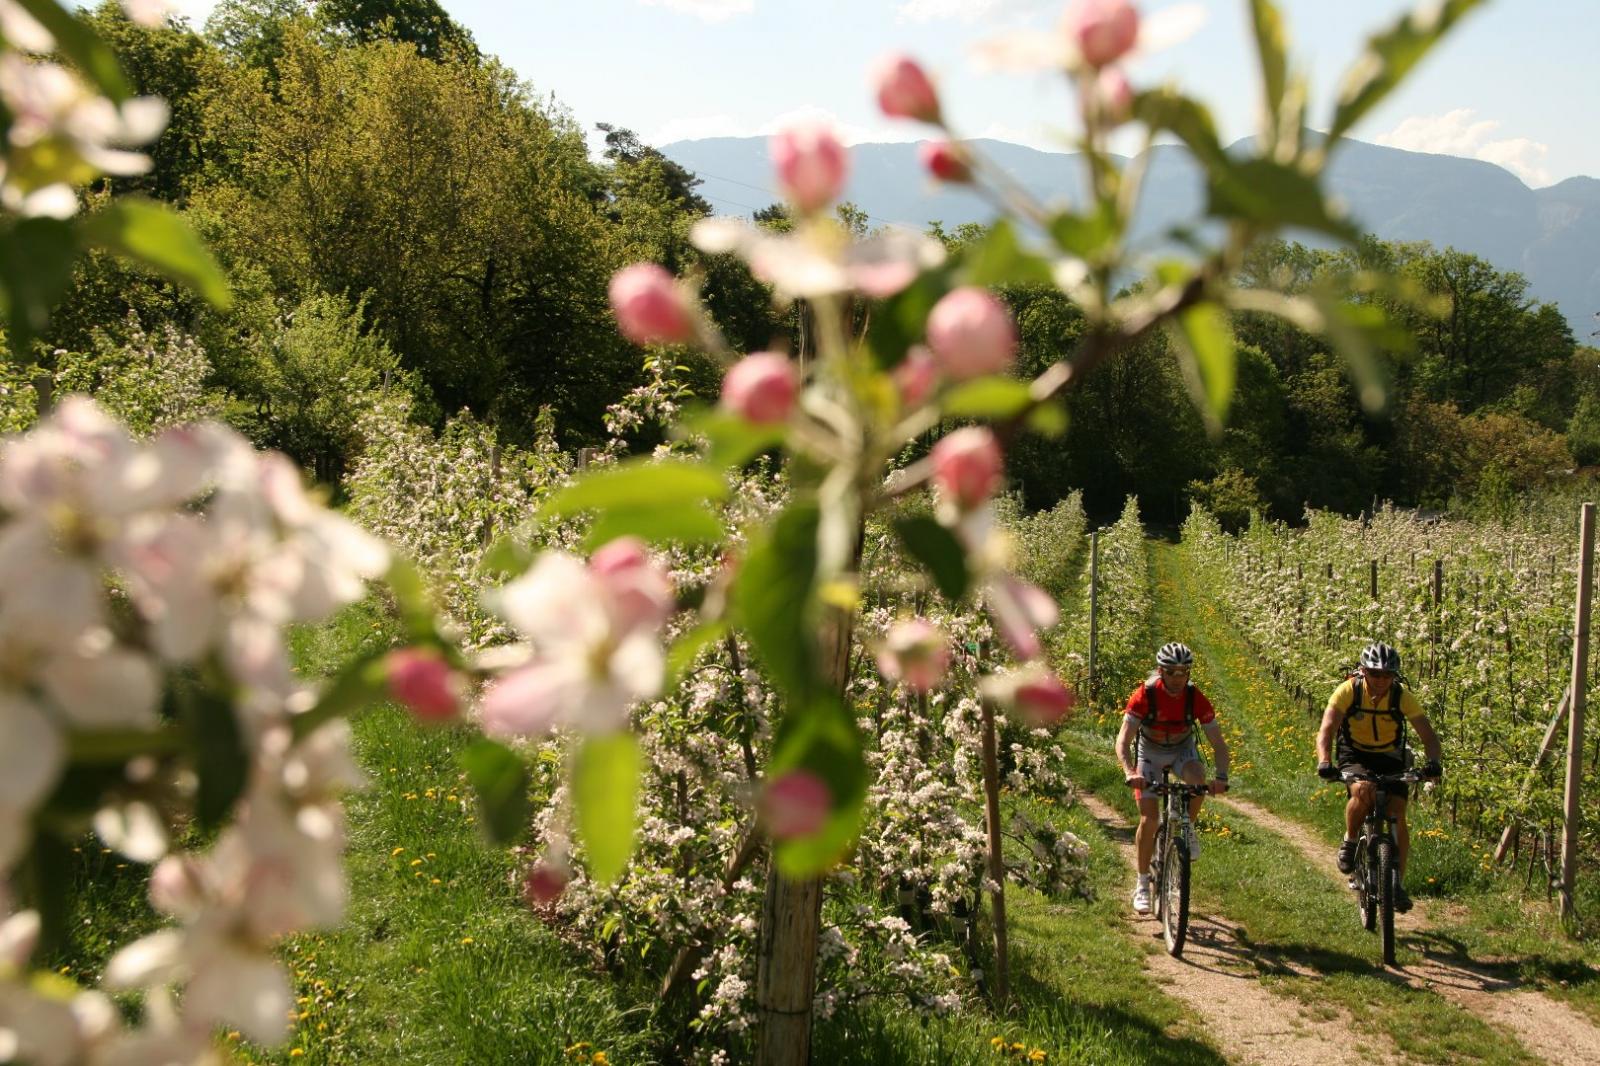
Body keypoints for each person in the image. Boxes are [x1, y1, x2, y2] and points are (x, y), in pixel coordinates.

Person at [1315, 641, 1442, 913]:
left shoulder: (1401, 696)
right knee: (1363, 790)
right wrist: (1324, 761)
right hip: (1355, 753)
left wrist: (1434, 763)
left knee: (1397, 811)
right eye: (1375, 673)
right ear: (1363, 671)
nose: (1381, 680)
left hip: (1390, 755)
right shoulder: (1348, 690)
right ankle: (1351, 840)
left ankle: (1396, 884)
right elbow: (1327, 729)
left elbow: (1429, 736)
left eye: (1387, 675)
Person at [1116, 642, 1231, 915]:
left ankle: (1188, 827)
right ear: (1160, 671)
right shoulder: (1144, 695)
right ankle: (1142, 884)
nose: (1178, 678)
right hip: (1150, 754)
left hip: (1182, 751)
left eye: (1183, 672)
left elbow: (1218, 744)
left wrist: (1221, 777)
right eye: (1171, 672)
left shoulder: (1195, 698)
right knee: (1149, 819)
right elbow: (1123, 741)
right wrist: (1130, 772)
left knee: (1198, 780)